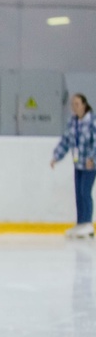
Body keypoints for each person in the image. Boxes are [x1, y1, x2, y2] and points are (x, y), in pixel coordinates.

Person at [52, 93, 96, 238]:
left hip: (90, 164)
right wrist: (56, 156)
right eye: (72, 104)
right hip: (78, 164)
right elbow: (66, 141)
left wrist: (92, 157)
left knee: (85, 192)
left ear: (84, 105)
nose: (74, 107)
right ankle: (80, 223)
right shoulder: (72, 122)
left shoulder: (92, 121)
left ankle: (87, 223)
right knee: (78, 194)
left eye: (77, 104)